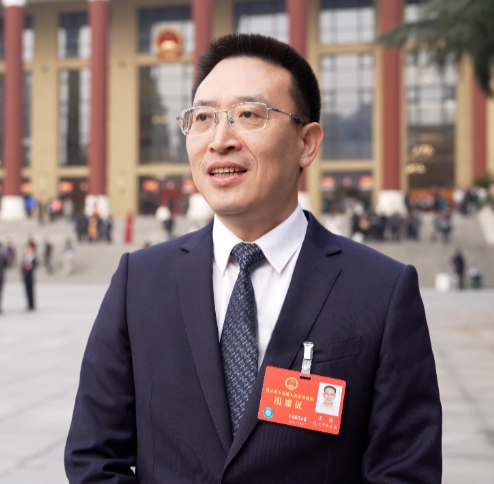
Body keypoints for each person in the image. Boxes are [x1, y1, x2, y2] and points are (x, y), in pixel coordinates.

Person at [65, 34, 441, 483]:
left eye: (248, 114)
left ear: (307, 143)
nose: (220, 140)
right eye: (203, 117)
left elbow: (405, 471)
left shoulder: (381, 291)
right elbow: (93, 457)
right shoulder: (139, 282)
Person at [21, 242, 37, 311]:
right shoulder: (26, 257)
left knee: (30, 291)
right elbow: (22, 266)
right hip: (26, 276)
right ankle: (29, 304)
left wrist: (29, 267)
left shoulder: (32, 257)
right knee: (27, 291)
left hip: (30, 276)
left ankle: (31, 304)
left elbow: (35, 264)